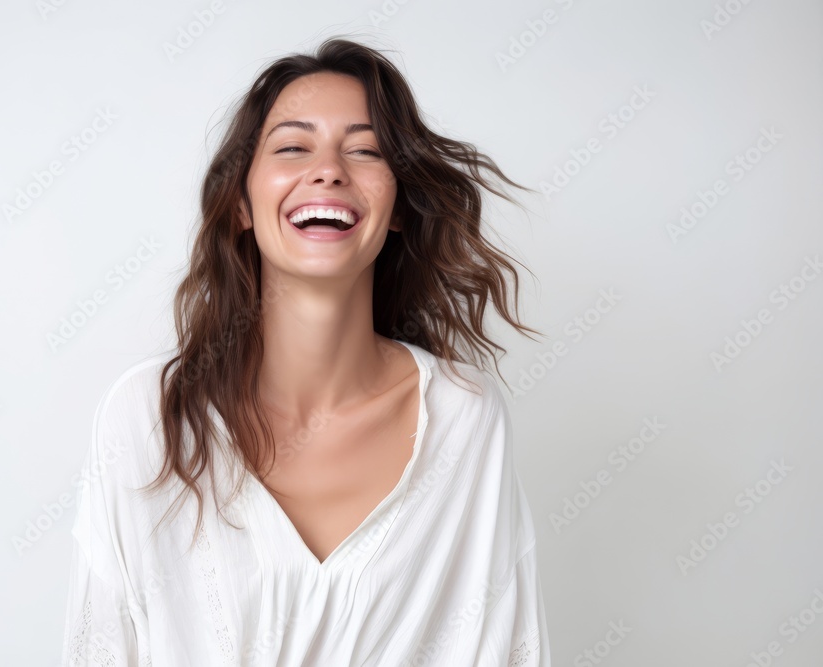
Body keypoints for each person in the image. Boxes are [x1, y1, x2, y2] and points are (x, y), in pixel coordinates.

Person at [61, 36, 551, 666]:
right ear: (241, 202)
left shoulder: (463, 417)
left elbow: (504, 648)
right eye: (293, 146)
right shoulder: (148, 418)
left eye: (366, 151)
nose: (329, 170)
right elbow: (100, 647)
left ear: (399, 207)